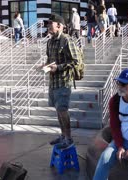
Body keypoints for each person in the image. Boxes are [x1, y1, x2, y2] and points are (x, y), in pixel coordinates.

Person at [45, 14, 80, 149]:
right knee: (59, 111)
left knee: (63, 110)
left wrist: (58, 67)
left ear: (59, 25)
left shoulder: (67, 40)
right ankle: (63, 135)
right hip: (53, 83)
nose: (48, 26)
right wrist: (45, 66)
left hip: (64, 82)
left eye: (50, 23)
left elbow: (75, 61)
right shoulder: (50, 42)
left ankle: (68, 138)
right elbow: (49, 60)